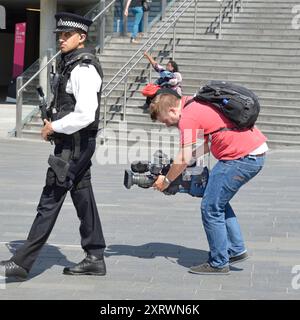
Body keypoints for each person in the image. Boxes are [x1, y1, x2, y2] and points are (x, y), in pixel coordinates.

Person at [0, 12, 106, 281]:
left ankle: (22, 263)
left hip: (75, 145)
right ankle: (95, 256)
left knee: (50, 199)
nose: (61, 39)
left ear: (81, 38)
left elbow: (86, 114)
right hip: (74, 143)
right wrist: (54, 122)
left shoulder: (84, 68)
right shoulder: (69, 63)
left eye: (67, 35)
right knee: (83, 196)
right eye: (59, 35)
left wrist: (54, 127)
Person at [150, 89, 268, 275]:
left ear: (173, 110)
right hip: (252, 153)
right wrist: (183, 163)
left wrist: (167, 180)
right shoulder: (197, 103)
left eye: (165, 120)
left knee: (210, 207)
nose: (166, 125)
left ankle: (219, 262)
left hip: (240, 159)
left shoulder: (187, 117)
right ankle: (235, 249)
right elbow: (207, 144)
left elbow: (184, 155)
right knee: (217, 201)